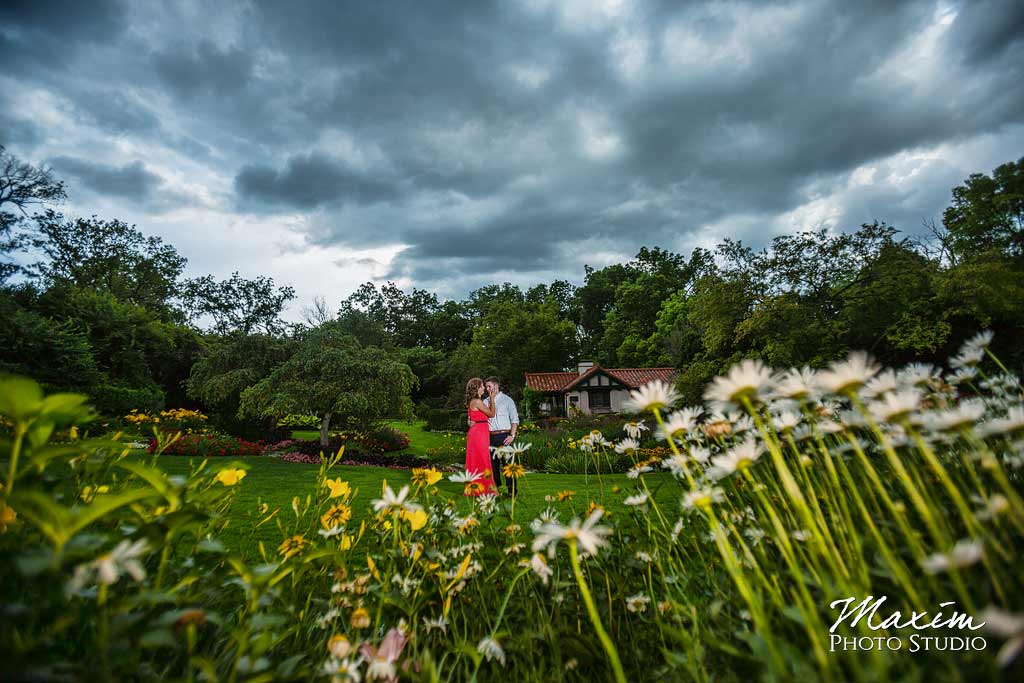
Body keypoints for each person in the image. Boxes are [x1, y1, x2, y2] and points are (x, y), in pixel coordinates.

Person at [483, 376, 520, 496]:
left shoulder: (507, 400)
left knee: (508, 466)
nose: (487, 389)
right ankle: (497, 490)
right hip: (491, 437)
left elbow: (515, 419)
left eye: (489, 386)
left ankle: (512, 491)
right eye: (486, 386)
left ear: (496, 386)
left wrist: (512, 435)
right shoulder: (484, 402)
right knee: (493, 467)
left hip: (505, 436)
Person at [464, 377, 498, 496]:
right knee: (482, 459)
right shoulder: (477, 402)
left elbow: (470, 418)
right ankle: (485, 489)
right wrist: (492, 399)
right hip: (479, 433)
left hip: (479, 432)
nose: (484, 388)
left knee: (479, 459)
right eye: (482, 386)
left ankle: (480, 488)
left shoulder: (474, 401)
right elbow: (492, 414)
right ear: (477, 388)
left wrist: (469, 422)